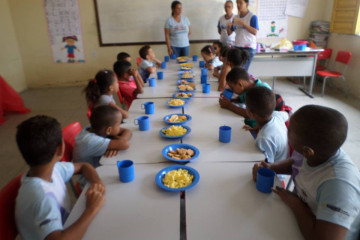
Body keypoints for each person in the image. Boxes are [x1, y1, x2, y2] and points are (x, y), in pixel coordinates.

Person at [252, 105, 360, 240]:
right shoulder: (312, 150)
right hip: (300, 218)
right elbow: (296, 163)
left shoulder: (338, 186)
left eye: (289, 130)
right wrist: (271, 167)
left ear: (307, 151)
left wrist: (296, 204)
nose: (285, 130)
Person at [15, 115, 105, 240]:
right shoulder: (41, 197)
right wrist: (91, 209)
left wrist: (97, 182)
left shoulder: (51, 169)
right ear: (60, 149)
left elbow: (83, 166)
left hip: (69, 226)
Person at [244, 86, 289, 178]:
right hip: (285, 160)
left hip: (276, 177)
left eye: (246, 107)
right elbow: (287, 115)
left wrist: (256, 177)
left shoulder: (264, 139)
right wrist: (258, 128)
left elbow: (267, 167)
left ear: (251, 114)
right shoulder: (276, 115)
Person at [227, 0, 259, 70]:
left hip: (248, 48)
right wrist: (228, 26)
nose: (238, 5)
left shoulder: (252, 16)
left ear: (246, 3)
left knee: (242, 70)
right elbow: (229, 33)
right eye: (237, 3)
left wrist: (243, 23)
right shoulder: (235, 17)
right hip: (237, 46)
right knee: (235, 69)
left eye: (240, 3)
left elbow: (255, 32)